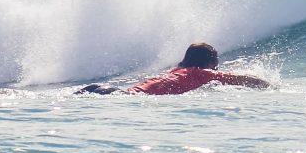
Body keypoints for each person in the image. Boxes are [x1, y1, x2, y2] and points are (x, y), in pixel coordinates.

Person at [76, 42, 273, 95]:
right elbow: (245, 80)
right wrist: (271, 85)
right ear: (209, 63)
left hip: (113, 90)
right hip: (126, 98)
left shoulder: (176, 71)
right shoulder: (204, 74)